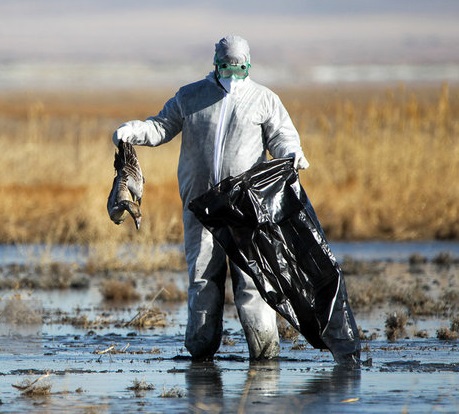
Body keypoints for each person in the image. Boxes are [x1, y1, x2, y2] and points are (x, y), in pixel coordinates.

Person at [112, 35, 309, 361]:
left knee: (253, 281)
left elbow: (282, 136)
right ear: (215, 65)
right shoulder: (191, 96)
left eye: (239, 68)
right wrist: (134, 131)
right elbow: (161, 127)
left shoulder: (264, 99)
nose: (233, 75)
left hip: (247, 209)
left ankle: (264, 358)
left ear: (248, 65)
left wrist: (293, 153)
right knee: (202, 277)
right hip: (200, 206)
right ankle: (200, 354)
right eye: (226, 67)